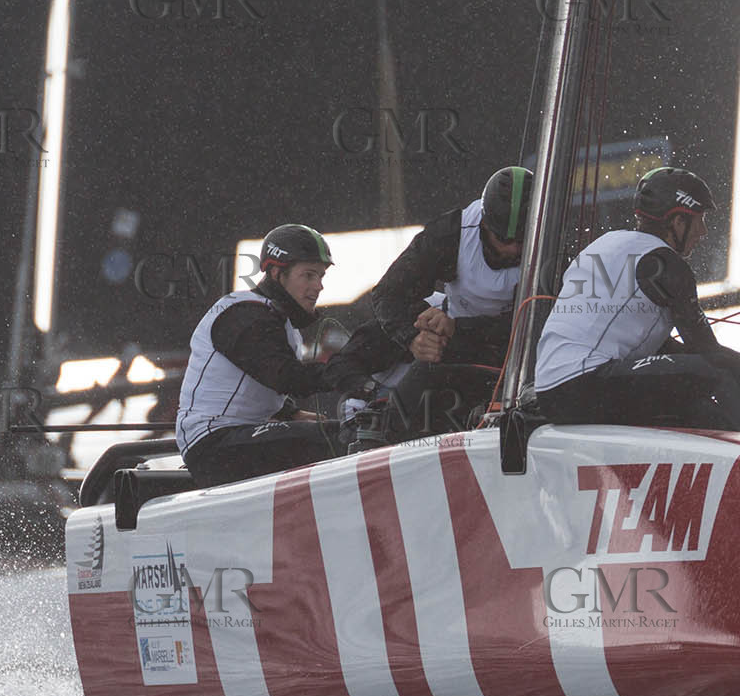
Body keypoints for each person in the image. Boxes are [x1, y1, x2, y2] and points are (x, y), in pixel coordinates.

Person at [533, 166, 740, 434]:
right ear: (677, 222)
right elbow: (709, 353)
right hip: (584, 384)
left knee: (700, 406)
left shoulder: (607, 243)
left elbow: (671, 352)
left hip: (553, 393)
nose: (703, 232)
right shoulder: (665, 263)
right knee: (718, 372)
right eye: (699, 219)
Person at [175, 224, 372, 487]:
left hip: (231, 439)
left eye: (321, 276)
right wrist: (349, 370)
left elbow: (246, 382)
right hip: (214, 447)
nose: (319, 286)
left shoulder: (273, 318)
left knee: (348, 433)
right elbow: (285, 376)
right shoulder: (244, 314)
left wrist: (289, 412)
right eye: (308, 275)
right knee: (348, 437)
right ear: (278, 273)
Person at [361, 167, 533, 436]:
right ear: (484, 224)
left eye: (522, 239)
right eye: (503, 239)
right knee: (405, 408)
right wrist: (413, 338)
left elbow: (540, 320)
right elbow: (388, 293)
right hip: (458, 347)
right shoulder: (449, 234)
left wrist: (458, 327)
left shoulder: (551, 242)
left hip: (524, 351)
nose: (513, 249)